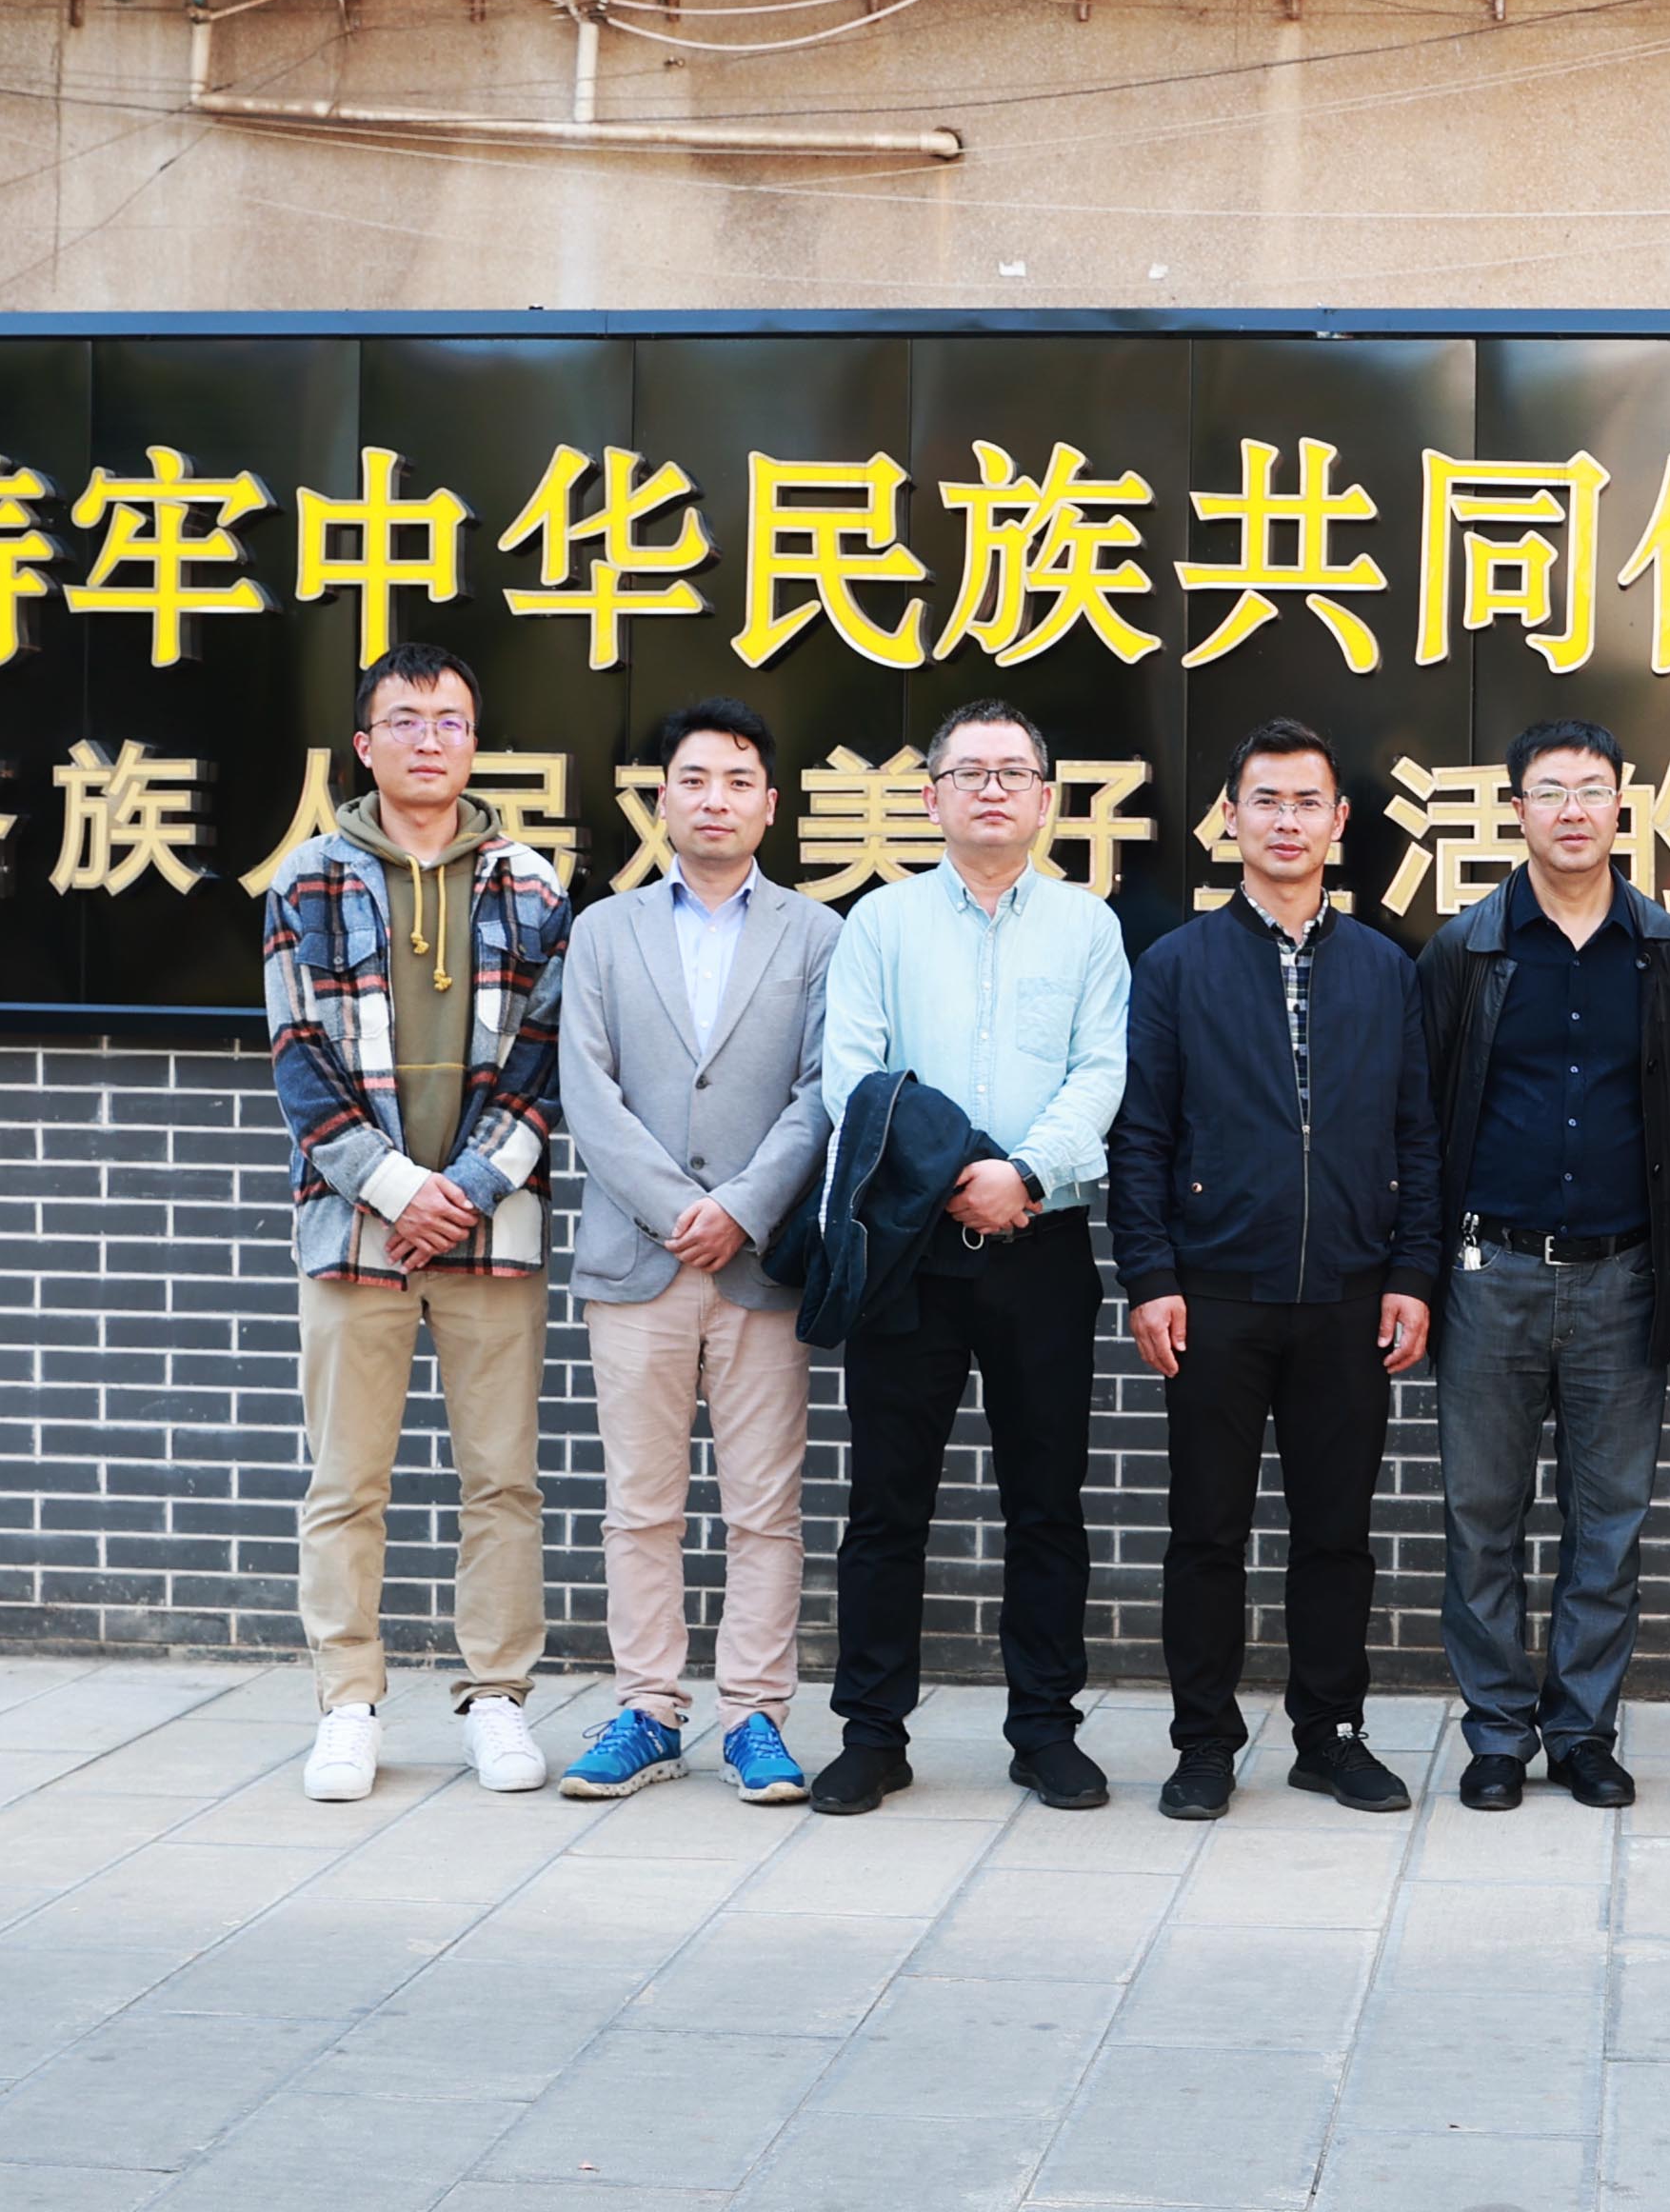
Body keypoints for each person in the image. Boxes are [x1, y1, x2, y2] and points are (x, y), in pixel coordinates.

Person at [1112, 721, 1446, 1822]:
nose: (1287, 821)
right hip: (1213, 1295)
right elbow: (1141, 1135)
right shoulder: (1175, 965)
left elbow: (1416, 1136)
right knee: (1205, 1533)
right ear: (1230, 818)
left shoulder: (1386, 969)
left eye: (1308, 802)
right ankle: (1203, 1743)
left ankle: (1328, 1735)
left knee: (1335, 1535)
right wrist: (1149, 1276)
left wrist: (1412, 1274)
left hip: (1349, 1295)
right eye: (1266, 800)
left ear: (1339, 821)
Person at [804, 700, 1133, 1816]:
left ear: (1045, 797)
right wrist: (951, 1178)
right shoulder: (878, 924)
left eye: (1012, 772)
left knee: (1046, 1502)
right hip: (907, 1248)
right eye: (969, 772)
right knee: (886, 1503)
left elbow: (1101, 1071)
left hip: (1043, 1247)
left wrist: (1024, 1176)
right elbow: (852, 1079)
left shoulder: (1087, 926)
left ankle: (1044, 1729)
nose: (991, 789)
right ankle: (871, 1733)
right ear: (931, 795)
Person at [261, 643, 576, 1804]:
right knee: (346, 1483)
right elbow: (298, 1061)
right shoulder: (306, 881)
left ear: (474, 743)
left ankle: (496, 1697)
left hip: (494, 1234)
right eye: (404, 719)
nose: (428, 738)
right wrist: (398, 1190)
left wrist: (470, 1188)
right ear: (365, 745)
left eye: (449, 719)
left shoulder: (532, 886)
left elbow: (547, 1061)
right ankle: (348, 1704)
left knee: (502, 1482)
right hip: (355, 1236)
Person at [549, 700, 842, 1806]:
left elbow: (822, 1092)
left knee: (764, 1508)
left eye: (737, 781)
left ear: (769, 805)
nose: (714, 799)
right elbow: (587, 1089)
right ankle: (647, 1710)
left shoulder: (817, 936)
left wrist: (743, 1209)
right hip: (638, 1261)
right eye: (694, 779)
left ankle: (755, 1716)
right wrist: (684, 1209)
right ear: (661, 798)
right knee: (641, 1504)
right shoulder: (602, 931)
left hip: (760, 1268)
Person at [1415, 719, 1670, 1813]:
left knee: (1608, 1522)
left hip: (1621, 1275)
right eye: (1550, 791)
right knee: (1480, 1516)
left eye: (1591, 789)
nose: (1572, 810)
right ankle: (1497, 1732)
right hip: (1488, 1271)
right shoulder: (1465, 951)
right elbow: (1425, 1113)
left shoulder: (1667, 952)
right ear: (1517, 810)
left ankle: (1582, 1731)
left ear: (1621, 806)